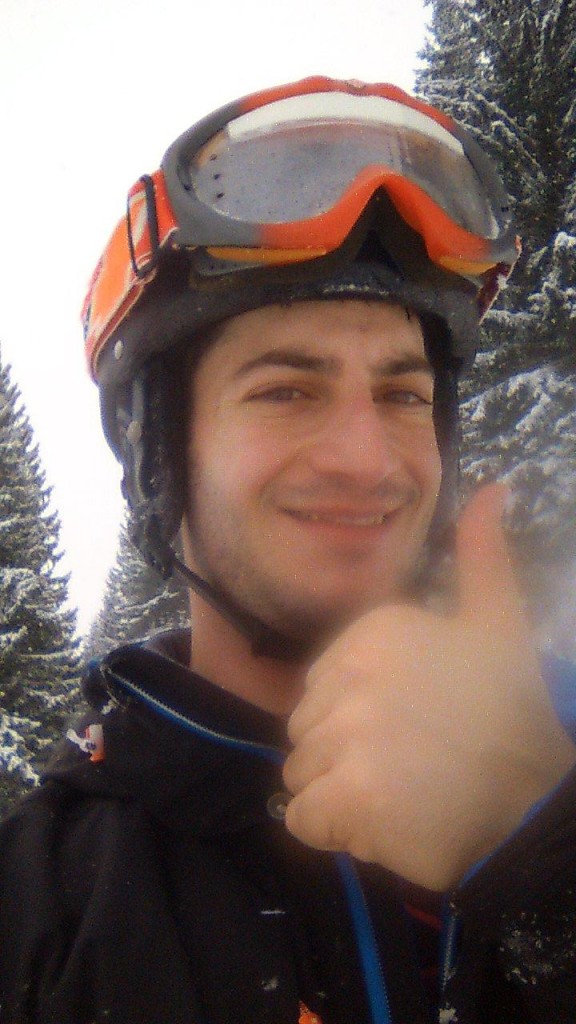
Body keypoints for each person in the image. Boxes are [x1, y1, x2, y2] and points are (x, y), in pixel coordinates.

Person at [1, 76, 575, 1024]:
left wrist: (547, 852)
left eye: (402, 395)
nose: (368, 459)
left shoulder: (560, 745)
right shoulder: (44, 908)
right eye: (286, 391)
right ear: (157, 457)